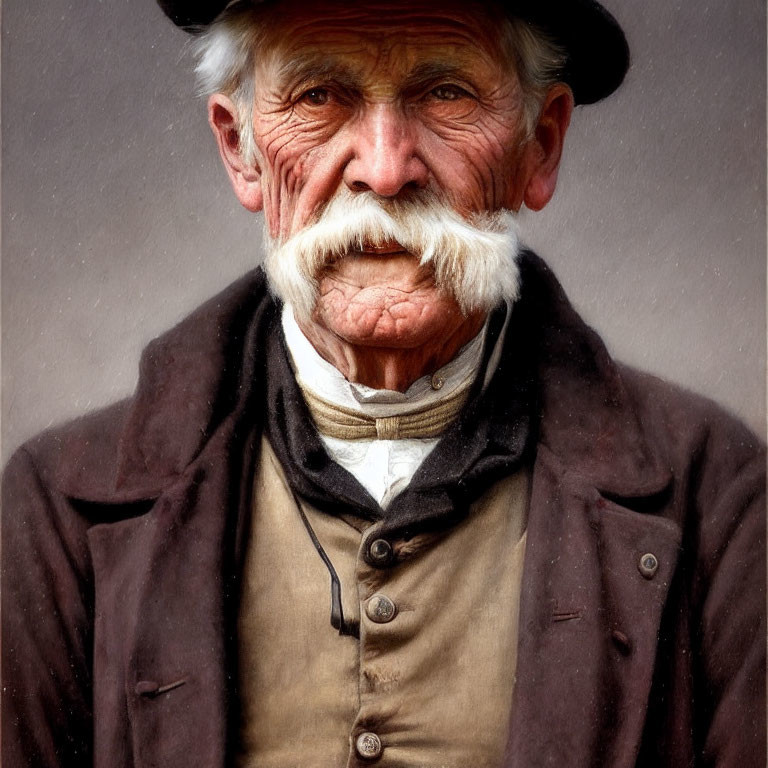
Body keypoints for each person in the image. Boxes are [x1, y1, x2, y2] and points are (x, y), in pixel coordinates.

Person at [2, 0, 764, 766]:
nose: (385, 168)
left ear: (541, 145)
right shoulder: (58, 508)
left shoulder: (719, 499)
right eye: (319, 96)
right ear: (241, 151)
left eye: (447, 94)